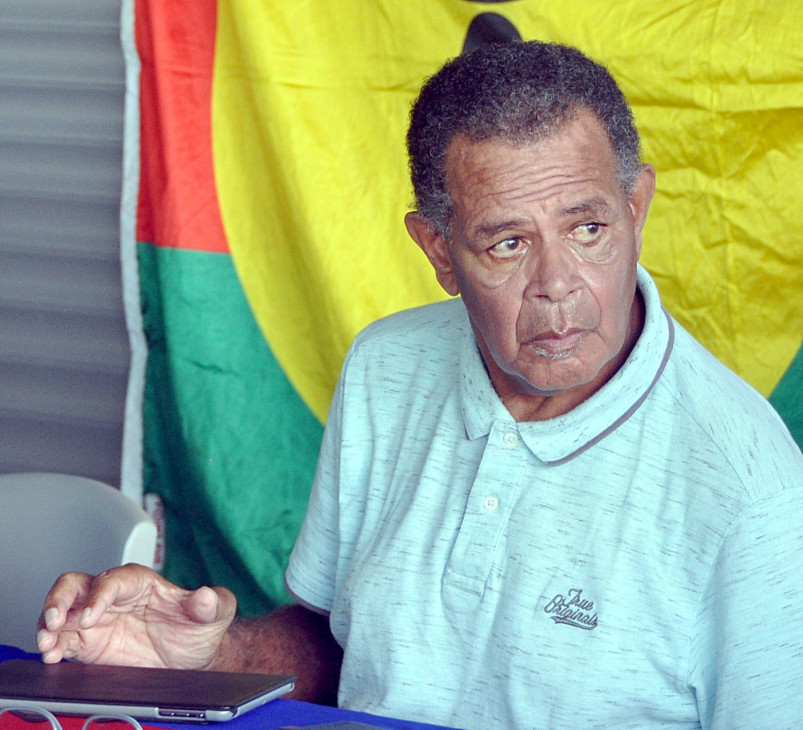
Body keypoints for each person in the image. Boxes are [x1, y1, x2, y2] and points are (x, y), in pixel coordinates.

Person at [39, 41, 803, 729]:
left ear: (635, 209)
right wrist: (211, 655)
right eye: (507, 243)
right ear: (439, 251)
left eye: (587, 229)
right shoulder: (385, 367)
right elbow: (343, 646)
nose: (557, 284)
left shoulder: (748, 490)